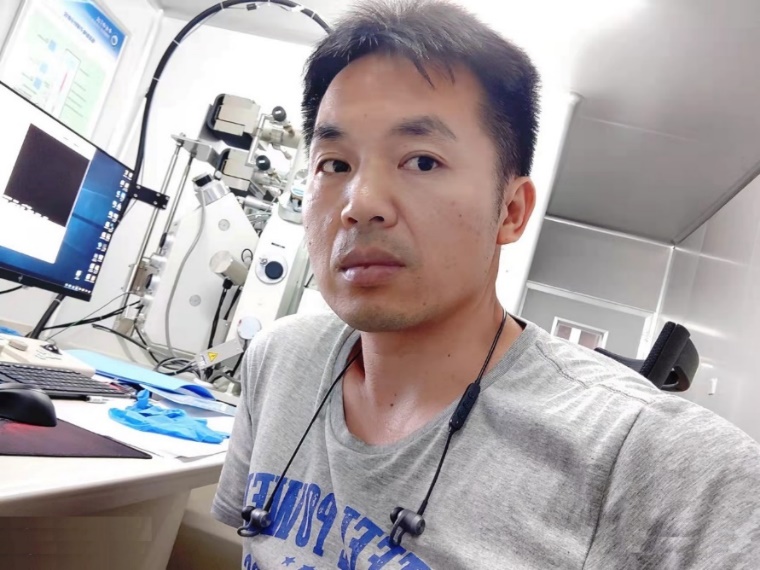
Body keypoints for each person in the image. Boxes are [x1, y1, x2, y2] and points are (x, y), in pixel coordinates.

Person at [212, 1, 760, 568]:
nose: (360, 203)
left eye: (422, 161)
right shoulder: (279, 361)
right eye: (334, 164)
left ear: (511, 211)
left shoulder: (647, 457)